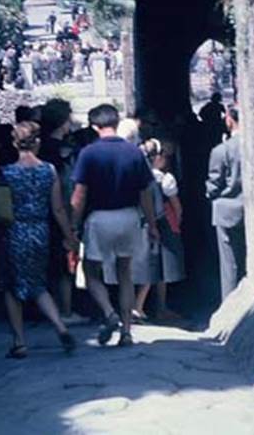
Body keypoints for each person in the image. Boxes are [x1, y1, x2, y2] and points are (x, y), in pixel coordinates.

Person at [0, 122, 80, 359]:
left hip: (13, 231)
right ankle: (60, 326)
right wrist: (69, 236)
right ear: (38, 142)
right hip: (39, 231)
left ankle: (20, 341)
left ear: (14, 143)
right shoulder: (49, 171)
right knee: (38, 284)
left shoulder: (6, 172)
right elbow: (58, 209)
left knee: (12, 287)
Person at [70, 104, 159, 347]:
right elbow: (145, 194)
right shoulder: (133, 152)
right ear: (116, 123)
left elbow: (79, 195)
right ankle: (127, 332)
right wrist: (152, 224)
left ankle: (110, 313)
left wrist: (72, 225)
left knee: (91, 272)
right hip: (129, 216)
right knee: (125, 274)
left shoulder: (88, 153)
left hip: (99, 218)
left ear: (94, 126)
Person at [38, 99, 87, 326]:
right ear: (63, 122)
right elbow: (71, 186)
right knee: (66, 263)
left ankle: (46, 308)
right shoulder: (65, 152)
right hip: (61, 211)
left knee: (47, 265)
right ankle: (65, 310)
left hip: (38, 214)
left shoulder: (39, 148)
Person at [133, 139, 185, 323]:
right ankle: (143, 307)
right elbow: (176, 206)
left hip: (138, 223)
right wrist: (177, 223)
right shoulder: (165, 179)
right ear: (157, 157)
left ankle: (140, 306)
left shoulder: (135, 174)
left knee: (146, 266)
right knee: (157, 268)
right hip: (162, 224)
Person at [207, 107, 244, 303]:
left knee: (229, 265)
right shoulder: (252, 145)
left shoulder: (221, 150)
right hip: (248, 207)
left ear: (229, 120)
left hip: (226, 209)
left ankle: (229, 305)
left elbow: (214, 183)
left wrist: (209, 194)